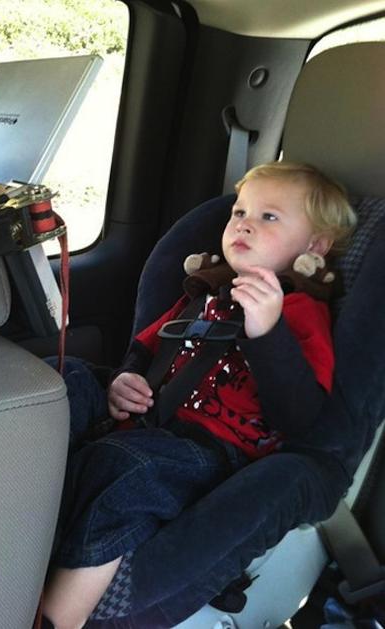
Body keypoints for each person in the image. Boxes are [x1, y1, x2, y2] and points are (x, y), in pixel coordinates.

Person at [43, 161, 357, 629]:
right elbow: (147, 348)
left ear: (315, 246)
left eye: (269, 217)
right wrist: (124, 381)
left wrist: (268, 332)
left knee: (124, 468)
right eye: (240, 212)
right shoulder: (208, 292)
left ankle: (58, 615)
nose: (244, 223)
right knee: (63, 379)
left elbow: (298, 418)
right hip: (149, 418)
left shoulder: (300, 312)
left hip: (212, 451)